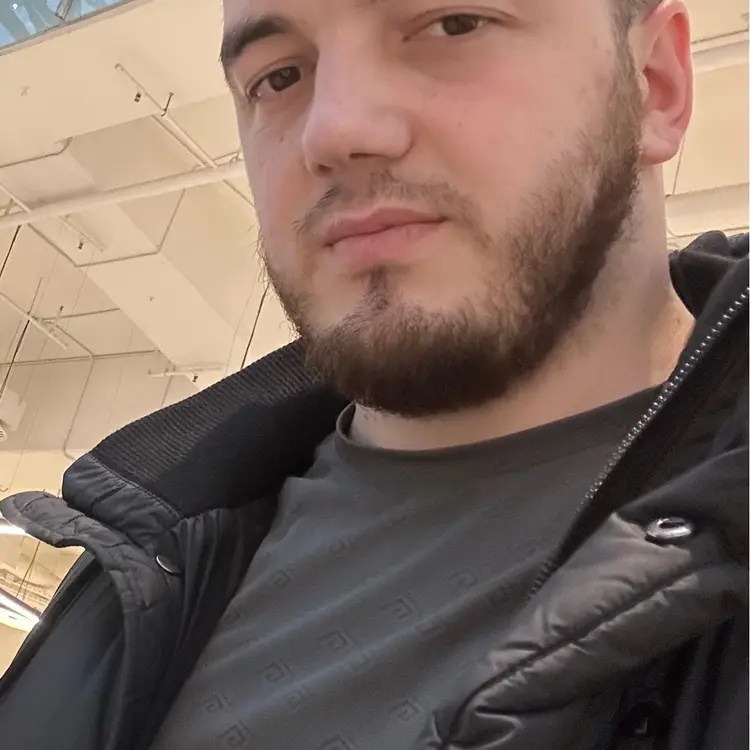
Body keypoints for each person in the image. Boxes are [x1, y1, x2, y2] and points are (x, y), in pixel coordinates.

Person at [0, 0, 746, 748]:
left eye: (454, 24)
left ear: (655, 85)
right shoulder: (143, 556)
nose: (332, 131)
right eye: (278, 77)